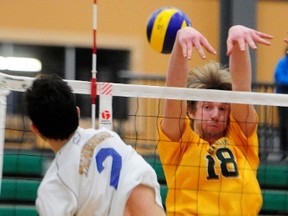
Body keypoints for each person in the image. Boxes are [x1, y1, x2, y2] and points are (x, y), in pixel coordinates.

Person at [157, 25, 273, 215]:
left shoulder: (240, 138)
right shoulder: (181, 145)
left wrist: (237, 42)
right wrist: (179, 41)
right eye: (207, 107)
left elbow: (241, 88)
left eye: (222, 108)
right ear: (191, 111)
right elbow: (173, 95)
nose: (215, 114)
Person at [25, 74, 165, 216]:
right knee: (137, 189)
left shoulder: (52, 187)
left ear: (35, 129)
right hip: (146, 206)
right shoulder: (109, 137)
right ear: (77, 112)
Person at [274, 39, 288, 161]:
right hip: (282, 99)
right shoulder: (282, 63)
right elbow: (280, 78)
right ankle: (284, 152)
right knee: (284, 126)